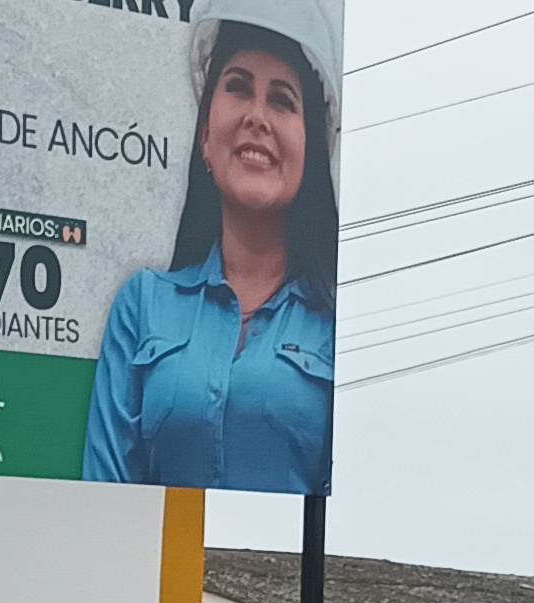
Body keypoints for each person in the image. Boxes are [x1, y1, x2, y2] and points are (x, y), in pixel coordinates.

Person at [83, 0, 341, 495]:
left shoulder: (341, 325)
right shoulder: (142, 306)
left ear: (311, 151)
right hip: (155, 553)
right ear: (205, 134)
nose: (257, 117)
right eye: (238, 87)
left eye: (283, 100)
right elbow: (104, 508)